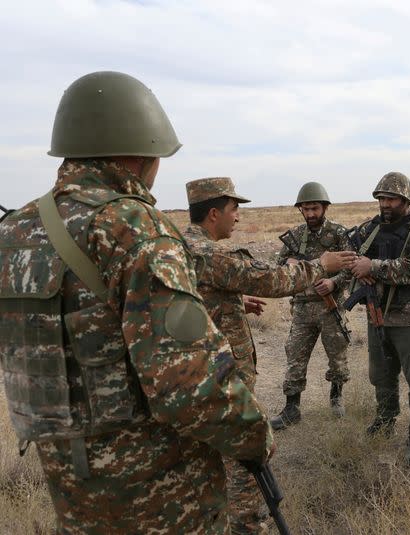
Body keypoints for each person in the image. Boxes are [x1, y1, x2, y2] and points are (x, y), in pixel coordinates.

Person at [0, 71, 271, 533]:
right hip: (160, 490)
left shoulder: (15, 231)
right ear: (141, 151)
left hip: (70, 482)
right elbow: (190, 385)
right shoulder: (132, 227)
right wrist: (254, 437)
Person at [182, 176, 355, 534]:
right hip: (225, 382)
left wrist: (228, 302)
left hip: (192, 380)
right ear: (214, 213)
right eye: (234, 210)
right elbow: (275, 280)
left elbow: (181, 300)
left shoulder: (179, 247)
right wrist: (321, 265)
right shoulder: (214, 254)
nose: (238, 217)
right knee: (246, 463)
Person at [350, 172, 410, 465]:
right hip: (377, 317)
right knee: (382, 376)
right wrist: (357, 273)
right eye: (381, 198)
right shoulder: (369, 230)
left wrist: (370, 266)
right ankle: (385, 420)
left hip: (408, 318)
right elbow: (354, 261)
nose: (385, 204)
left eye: (391, 198)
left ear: (405, 200)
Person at [271, 181, 352, 429]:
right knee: (295, 356)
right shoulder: (295, 236)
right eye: (305, 209)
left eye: (315, 208)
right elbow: (280, 264)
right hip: (303, 308)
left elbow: (351, 266)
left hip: (331, 307)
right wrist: (292, 264)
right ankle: (291, 408)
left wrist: (333, 283)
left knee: (337, 356)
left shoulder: (339, 234)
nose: (310, 214)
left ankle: (336, 398)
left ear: (324, 208)